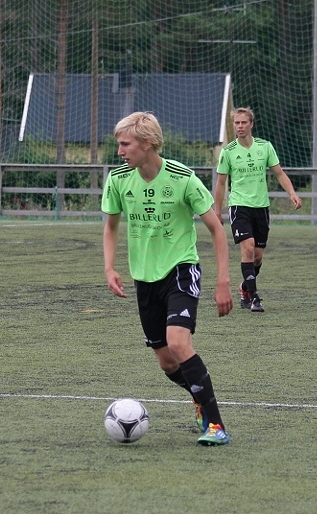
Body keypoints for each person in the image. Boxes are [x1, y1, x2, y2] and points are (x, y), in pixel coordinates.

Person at [102, 112, 233, 446]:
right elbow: (111, 226)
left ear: (147, 143)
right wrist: (109, 267)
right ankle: (198, 396)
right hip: (144, 278)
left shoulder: (182, 178)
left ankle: (215, 425)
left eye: (125, 144)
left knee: (178, 343)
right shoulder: (118, 180)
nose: (120, 151)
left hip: (180, 269)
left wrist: (223, 281)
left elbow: (217, 229)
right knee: (166, 361)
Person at [214, 107, 302, 312]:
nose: (240, 126)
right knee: (248, 248)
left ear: (251, 124)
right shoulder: (228, 152)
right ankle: (254, 298)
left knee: (257, 257)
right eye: (236, 123)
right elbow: (221, 183)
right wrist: (217, 211)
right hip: (239, 206)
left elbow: (279, 173)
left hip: (261, 207)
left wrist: (292, 193)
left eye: (243, 122)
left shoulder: (265, 147)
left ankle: (245, 288)